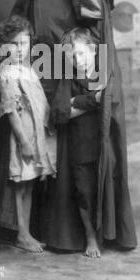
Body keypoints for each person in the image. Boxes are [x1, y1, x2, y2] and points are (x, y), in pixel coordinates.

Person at [0, 0, 137, 251]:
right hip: (38, 77)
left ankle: (82, 235)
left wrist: (96, 88)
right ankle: (35, 230)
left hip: (78, 77)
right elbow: (11, 32)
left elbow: (102, 41)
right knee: (35, 154)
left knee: (79, 158)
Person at [0, 14, 56, 252]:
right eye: (14, 44)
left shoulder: (27, 69)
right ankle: (22, 234)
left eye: (24, 43)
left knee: (30, 186)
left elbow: (38, 103)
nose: (19, 49)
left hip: (36, 135)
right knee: (21, 186)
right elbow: (9, 111)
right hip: (22, 138)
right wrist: (25, 142)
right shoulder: (8, 72)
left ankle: (26, 233)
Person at [50, 27, 102, 258]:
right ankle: (90, 237)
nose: (76, 60)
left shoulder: (103, 73)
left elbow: (109, 100)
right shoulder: (69, 77)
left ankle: (102, 234)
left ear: (92, 50)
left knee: (101, 188)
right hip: (79, 145)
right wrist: (92, 100)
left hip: (101, 143)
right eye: (71, 56)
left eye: (80, 54)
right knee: (83, 191)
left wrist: (76, 102)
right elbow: (60, 113)